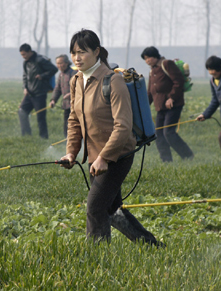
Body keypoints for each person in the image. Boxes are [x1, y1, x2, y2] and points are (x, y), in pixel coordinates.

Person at [60, 29, 163, 247]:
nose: (77, 58)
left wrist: (105, 157)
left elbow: (123, 126)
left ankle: (97, 257)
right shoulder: (77, 80)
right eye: (73, 53)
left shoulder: (113, 81)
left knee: (95, 207)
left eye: (82, 52)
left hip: (118, 154)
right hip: (94, 156)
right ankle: (152, 246)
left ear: (96, 52)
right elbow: (74, 120)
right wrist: (71, 152)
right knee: (111, 208)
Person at [141, 46, 194, 162]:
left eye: (149, 57)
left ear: (155, 56)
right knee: (159, 134)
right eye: (145, 59)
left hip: (173, 105)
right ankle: (166, 161)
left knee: (168, 132)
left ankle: (188, 156)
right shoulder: (152, 71)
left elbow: (178, 81)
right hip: (160, 107)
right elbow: (150, 91)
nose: (147, 61)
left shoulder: (167, 64)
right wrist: (144, 106)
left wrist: (172, 98)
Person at [18, 43, 58, 139]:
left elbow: (54, 69)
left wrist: (42, 76)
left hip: (40, 93)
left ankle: (43, 137)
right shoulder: (25, 63)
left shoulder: (40, 60)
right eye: (22, 55)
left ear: (30, 52)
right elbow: (25, 76)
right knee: (22, 111)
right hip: (29, 93)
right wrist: (25, 88)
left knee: (40, 116)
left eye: (24, 54)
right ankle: (26, 135)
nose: (23, 57)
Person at [50, 54, 77, 137]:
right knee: (66, 125)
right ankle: (67, 142)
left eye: (61, 63)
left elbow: (79, 87)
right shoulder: (61, 75)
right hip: (66, 105)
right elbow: (57, 89)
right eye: (57, 64)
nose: (59, 66)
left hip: (76, 105)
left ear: (67, 63)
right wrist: (53, 100)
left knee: (76, 126)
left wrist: (71, 94)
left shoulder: (74, 73)